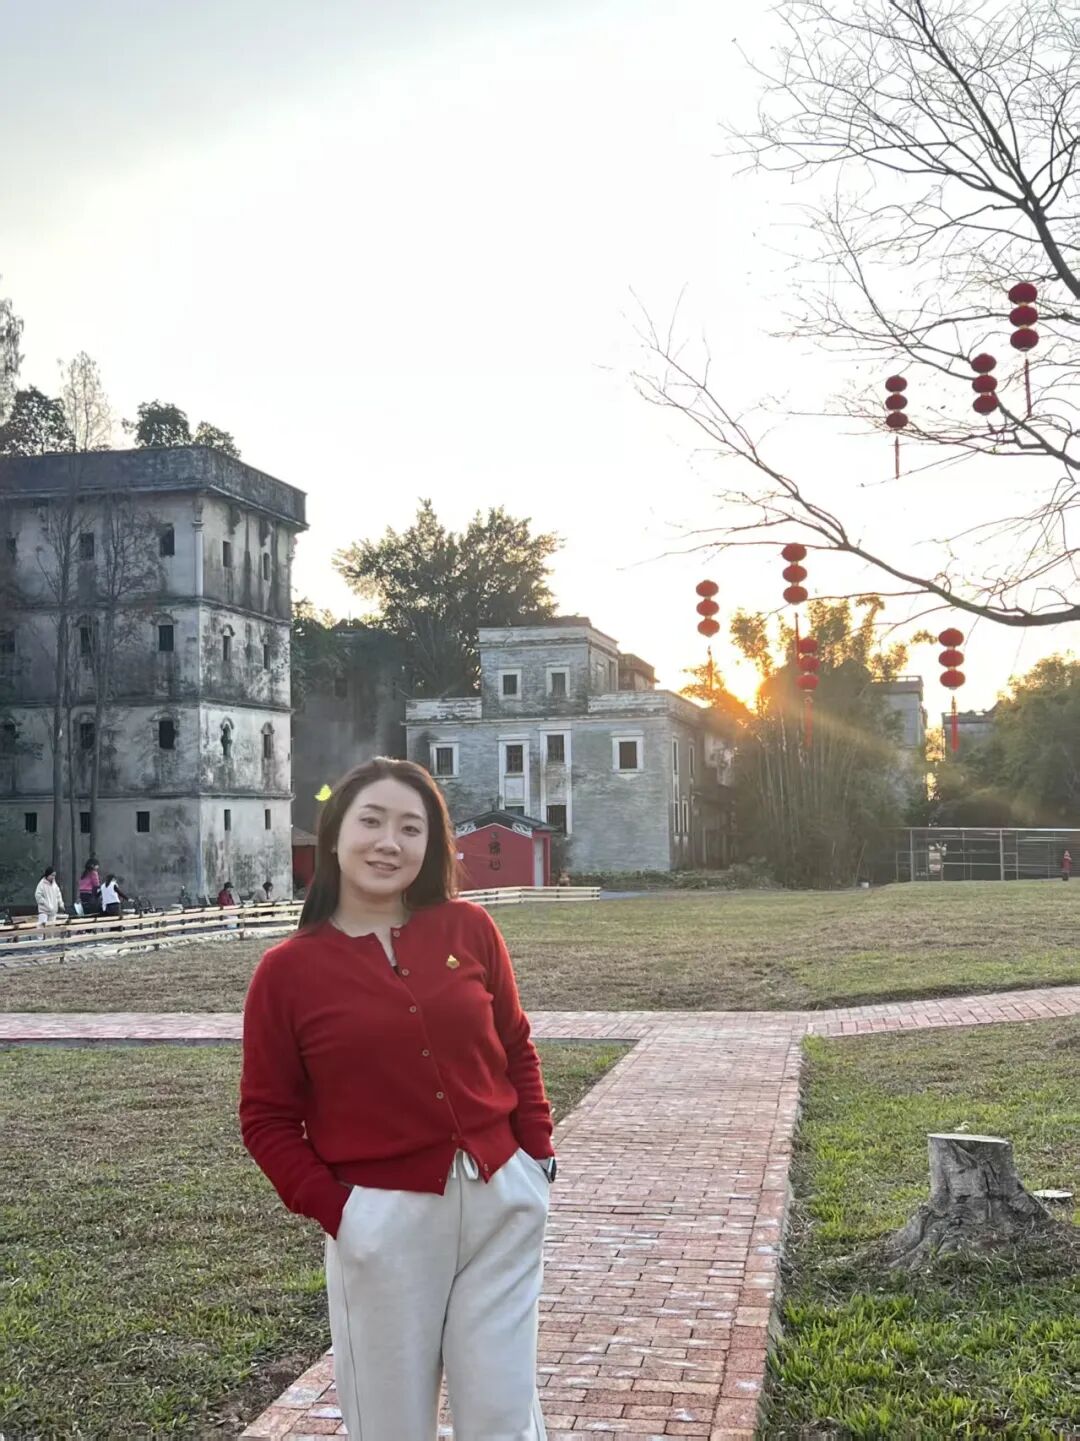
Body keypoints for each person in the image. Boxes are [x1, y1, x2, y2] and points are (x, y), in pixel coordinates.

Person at [240, 758, 555, 1441]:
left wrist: (538, 1158)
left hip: (502, 1201)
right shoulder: (287, 972)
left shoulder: (469, 929)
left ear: (431, 844)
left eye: (411, 828)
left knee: (503, 1416)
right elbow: (266, 1118)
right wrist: (342, 1213)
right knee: (390, 1424)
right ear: (335, 834)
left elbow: (514, 1043)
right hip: (382, 1221)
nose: (390, 842)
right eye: (372, 821)